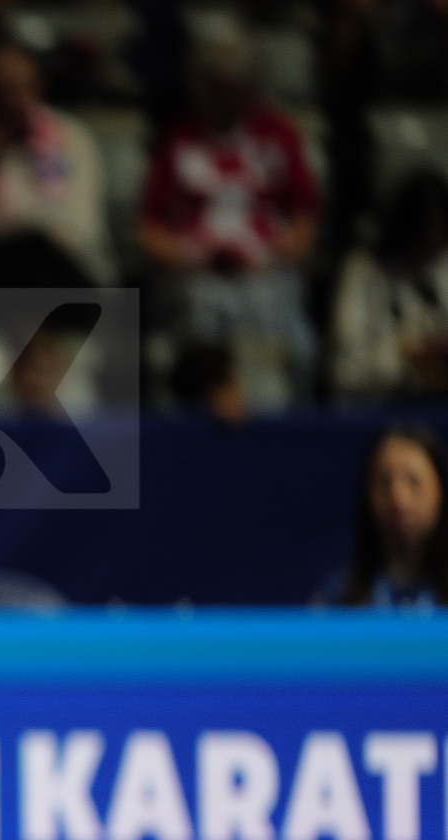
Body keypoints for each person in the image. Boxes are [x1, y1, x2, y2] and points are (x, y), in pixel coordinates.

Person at [138, 20, 321, 409]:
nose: (227, 99)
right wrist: (184, 258)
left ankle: (286, 426)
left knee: (300, 342)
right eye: (217, 88)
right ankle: (201, 415)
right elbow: (148, 228)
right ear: (201, 86)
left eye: (236, 89)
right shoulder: (178, 137)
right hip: (196, 276)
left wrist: (278, 256)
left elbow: (305, 217)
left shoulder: (279, 133)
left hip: (265, 271)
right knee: (199, 315)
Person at [0, 40, 115, 287]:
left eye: (23, 87)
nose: (15, 100)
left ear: (39, 85)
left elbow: (82, 229)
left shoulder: (73, 139)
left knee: (32, 255)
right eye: (4, 89)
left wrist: (27, 228)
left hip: (60, 266)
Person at [331, 170, 448, 402]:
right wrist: (406, 357)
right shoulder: (362, 272)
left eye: (440, 236)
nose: (431, 247)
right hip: (376, 408)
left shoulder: (443, 268)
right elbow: (344, 372)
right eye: (423, 236)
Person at [328, 422, 448, 606]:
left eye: (414, 482)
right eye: (385, 482)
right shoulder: (339, 596)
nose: (399, 499)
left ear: (441, 492)